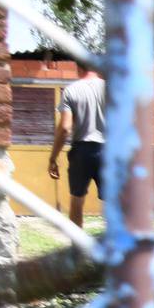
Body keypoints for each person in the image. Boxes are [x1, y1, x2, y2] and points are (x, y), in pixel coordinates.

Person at [47, 68, 105, 225]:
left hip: (82, 151)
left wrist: (53, 158)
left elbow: (65, 128)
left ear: (78, 67)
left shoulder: (71, 91)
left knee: (77, 199)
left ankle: (78, 246)